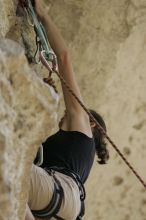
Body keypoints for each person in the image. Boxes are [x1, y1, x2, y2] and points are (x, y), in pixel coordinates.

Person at [24, 1, 109, 220]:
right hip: (61, 206)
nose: (68, 113)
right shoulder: (76, 157)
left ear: (92, 124)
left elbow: (63, 58)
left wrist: (42, 14)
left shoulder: (83, 127)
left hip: (58, 191)